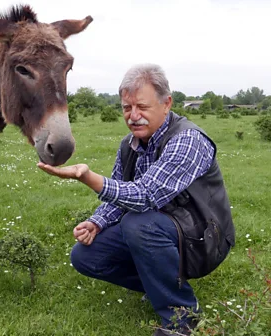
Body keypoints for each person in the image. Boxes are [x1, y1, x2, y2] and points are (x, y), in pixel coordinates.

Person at [37, 64, 235, 336]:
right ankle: (160, 286)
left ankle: (182, 318)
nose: (133, 116)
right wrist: (97, 222)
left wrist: (88, 177)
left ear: (166, 104)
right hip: (161, 230)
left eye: (142, 106)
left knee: (139, 223)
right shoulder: (129, 145)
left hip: (203, 239)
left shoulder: (187, 140)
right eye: (126, 108)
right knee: (86, 256)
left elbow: (145, 196)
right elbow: (122, 193)